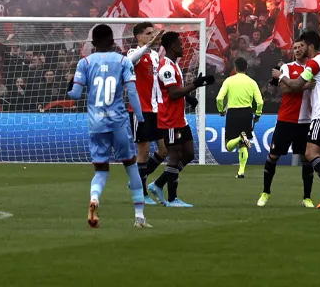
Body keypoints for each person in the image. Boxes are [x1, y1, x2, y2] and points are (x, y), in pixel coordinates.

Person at [67, 24, 150, 229]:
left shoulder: (84, 63)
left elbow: (75, 95)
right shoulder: (123, 61)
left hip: (96, 123)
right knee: (131, 166)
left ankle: (95, 198)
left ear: (93, 43)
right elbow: (132, 92)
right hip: (119, 121)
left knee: (101, 170)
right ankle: (139, 217)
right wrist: (140, 118)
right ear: (113, 42)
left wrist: (71, 86)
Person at [146, 31, 213, 207]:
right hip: (169, 119)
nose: (183, 47)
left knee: (189, 153)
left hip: (179, 119)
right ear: (173, 47)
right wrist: (195, 85)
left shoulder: (174, 65)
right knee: (174, 154)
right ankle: (172, 199)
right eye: (180, 44)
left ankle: (158, 184)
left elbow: (175, 91)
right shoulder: (166, 68)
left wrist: (188, 97)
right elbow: (173, 93)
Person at [279, 30, 320, 210]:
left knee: (310, 153)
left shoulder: (315, 63)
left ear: (311, 46)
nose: (301, 48)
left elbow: (295, 85)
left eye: (304, 45)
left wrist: (280, 76)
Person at [258, 40, 315, 208]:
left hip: (306, 120)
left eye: (300, 47)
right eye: (295, 48)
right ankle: (265, 192)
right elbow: (285, 90)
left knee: (306, 159)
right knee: (273, 156)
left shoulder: (313, 69)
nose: (297, 50)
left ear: (307, 48)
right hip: (286, 120)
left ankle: (307, 198)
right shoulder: (287, 68)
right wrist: (304, 86)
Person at [127, 22, 167, 203]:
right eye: (148, 33)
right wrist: (148, 45)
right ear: (139, 37)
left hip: (157, 109)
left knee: (165, 149)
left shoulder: (156, 56)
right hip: (140, 110)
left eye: (154, 33)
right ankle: (141, 193)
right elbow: (130, 61)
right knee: (143, 151)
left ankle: (136, 180)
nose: (153, 35)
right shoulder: (132, 54)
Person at [216, 56, 262, 179]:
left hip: (233, 113)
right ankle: (241, 172)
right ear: (246, 68)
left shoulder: (229, 81)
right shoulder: (252, 82)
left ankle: (239, 138)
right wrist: (257, 114)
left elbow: (219, 98)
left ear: (235, 68)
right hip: (247, 113)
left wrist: (221, 110)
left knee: (228, 146)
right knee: (243, 145)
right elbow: (260, 102)